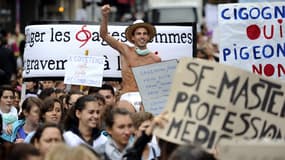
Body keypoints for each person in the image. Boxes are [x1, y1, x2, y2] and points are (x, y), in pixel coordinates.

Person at [100, 4, 161, 112]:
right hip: (127, 96)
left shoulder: (155, 59)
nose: (142, 36)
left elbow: (158, 86)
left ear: (148, 37)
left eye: (144, 34)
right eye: (138, 34)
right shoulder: (125, 50)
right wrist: (105, 16)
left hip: (147, 99)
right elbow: (104, 35)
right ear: (133, 37)